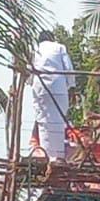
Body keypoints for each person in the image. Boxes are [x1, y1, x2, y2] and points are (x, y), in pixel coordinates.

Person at [29, 31, 75, 160]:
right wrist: (71, 86)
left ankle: (47, 155)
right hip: (59, 87)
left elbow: (29, 72)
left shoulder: (35, 50)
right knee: (59, 119)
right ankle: (57, 156)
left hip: (40, 88)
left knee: (43, 120)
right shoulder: (59, 47)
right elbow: (68, 68)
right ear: (52, 38)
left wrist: (30, 82)